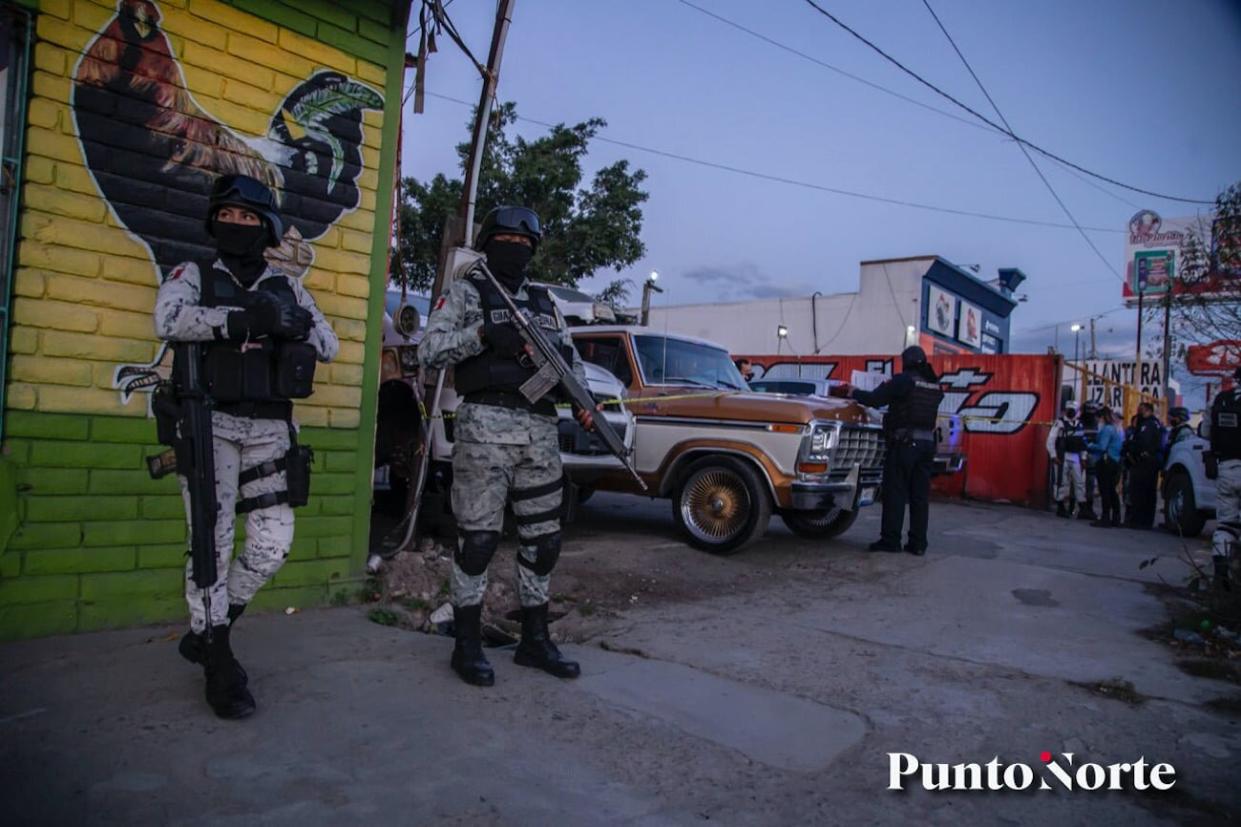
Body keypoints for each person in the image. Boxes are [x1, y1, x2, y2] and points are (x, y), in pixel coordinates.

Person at [154, 174, 338, 719]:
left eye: (248, 218)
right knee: (210, 542)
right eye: (227, 216)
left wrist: (291, 321)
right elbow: (167, 319)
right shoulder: (194, 275)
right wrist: (240, 320)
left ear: (268, 228)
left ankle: (213, 627)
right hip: (210, 422)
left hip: (271, 429)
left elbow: (327, 343)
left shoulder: (287, 285)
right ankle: (218, 660)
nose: (236, 225)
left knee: (271, 545)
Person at [419, 205, 594, 687]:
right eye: (506, 242)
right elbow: (428, 351)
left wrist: (583, 400)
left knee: (545, 540)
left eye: (524, 245)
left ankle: (534, 641)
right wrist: (480, 335)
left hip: (539, 434)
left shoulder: (544, 303)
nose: (515, 251)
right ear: (487, 243)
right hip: (484, 430)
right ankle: (467, 643)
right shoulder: (467, 292)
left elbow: (570, 360)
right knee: (477, 541)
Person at [830, 345, 944, 555]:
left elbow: (874, 399)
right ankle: (918, 544)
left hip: (904, 444)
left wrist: (854, 392)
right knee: (920, 497)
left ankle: (890, 541)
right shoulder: (934, 384)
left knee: (896, 492)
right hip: (927, 445)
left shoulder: (904, 381)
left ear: (906, 361)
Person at [1209, 370, 1241, 590]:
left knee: (1225, 525)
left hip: (1227, 466)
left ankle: (1220, 578)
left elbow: (1205, 430)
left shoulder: (1221, 399)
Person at [1125, 403, 1164, 529]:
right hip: (1148, 462)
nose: (1138, 412)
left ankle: (1140, 521)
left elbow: (1143, 442)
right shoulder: (1152, 424)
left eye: (1140, 410)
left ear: (1147, 410)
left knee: (1141, 492)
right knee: (1146, 492)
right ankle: (1143, 520)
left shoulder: (1149, 424)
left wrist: (1133, 449)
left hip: (1145, 462)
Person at [1046, 402, 1088, 518]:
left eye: (1073, 410)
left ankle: (1082, 507)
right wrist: (1053, 455)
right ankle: (1060, 506)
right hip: (1062, 456)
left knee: (1079, 482)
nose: (1070, 412)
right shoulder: (1059, 423)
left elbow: (1083, 443)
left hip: (1075, 456)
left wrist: (1083, 457)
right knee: (1061, 482)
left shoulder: (1079, 424)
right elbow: (1050, 440)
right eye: (1069, 409)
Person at [1087, 407, 1123, 528]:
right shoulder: (1114, 429)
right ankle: (1116, 517)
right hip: (1115, 461)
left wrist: (1090, 445)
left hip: (1106, 462)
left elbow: (1102, 447)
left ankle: (1105, 517)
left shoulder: (1106, 429)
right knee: (1112, 490)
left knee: (1105, 490)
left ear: (1101, 417)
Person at [1078, 402, 1101, 520]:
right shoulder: (1091, 423)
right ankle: (1084, 508)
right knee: (1082, 482)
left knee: (1085, 482)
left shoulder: (1093, 423)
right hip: (1082, 454)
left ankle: (1085, 508)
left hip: (1087, 454)